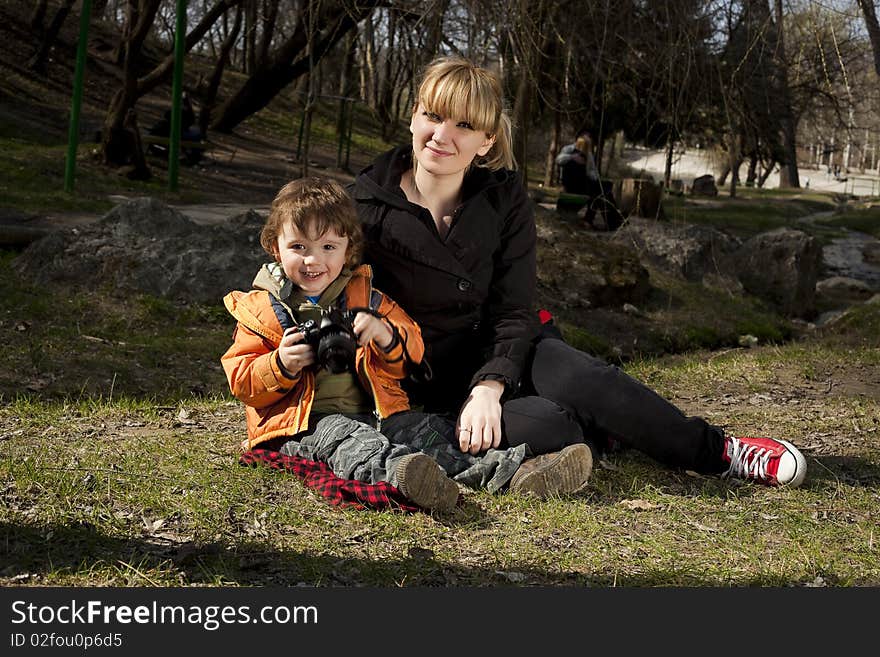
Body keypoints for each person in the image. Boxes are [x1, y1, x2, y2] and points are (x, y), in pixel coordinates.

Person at [351, 56, 807, 490]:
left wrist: (490, 385)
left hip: (503, 349)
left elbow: (514, 306)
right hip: (427, 379)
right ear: (413, 116)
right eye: (433, 115)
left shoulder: (502, 197)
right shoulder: (365, 205)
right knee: (554, 425)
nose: (441, 135)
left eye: (464, 125)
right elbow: (318, 282)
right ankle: (599, 427)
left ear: (486, 141)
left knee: (584, 379)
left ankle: (722, 453)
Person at [221, 177, 593, 513]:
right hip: (304, 426)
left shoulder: (366, 297)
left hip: (378, 413)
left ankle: (518, 473)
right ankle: (408, 479)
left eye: (328, 246)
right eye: (298, 246)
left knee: (428, 431)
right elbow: (241, 381)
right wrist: (281, 364)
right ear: (275, 247)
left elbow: (413, 352)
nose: (313, 260)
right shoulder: (261, 309)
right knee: (353, 443)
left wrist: (383, 334)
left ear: (348, 247)